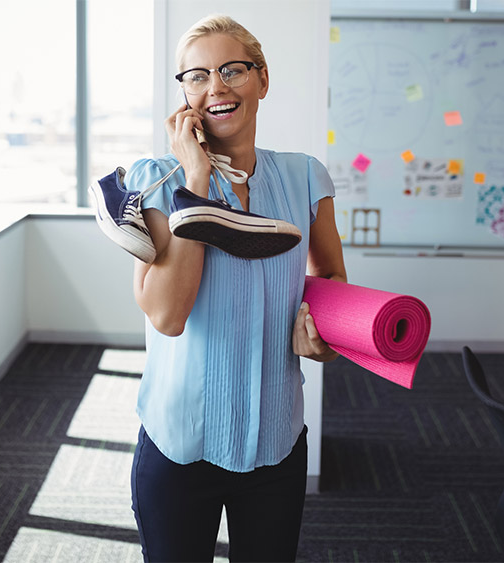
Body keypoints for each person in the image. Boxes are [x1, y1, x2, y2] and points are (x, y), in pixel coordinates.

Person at [126, 14, 347, 562]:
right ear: (184, 96)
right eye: (196, 76)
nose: (215, 87)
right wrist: (195, 179)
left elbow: (331, 280)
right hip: (179, 444)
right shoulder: (156, 179)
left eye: (232, 70)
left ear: (262, 80)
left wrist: (323, 333)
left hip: (275, 440)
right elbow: (167, 315)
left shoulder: (305, 177)